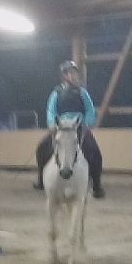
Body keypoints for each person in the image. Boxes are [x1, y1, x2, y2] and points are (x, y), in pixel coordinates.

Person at [33, 61, 105, 198]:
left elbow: (89, 109)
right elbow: (51, 109)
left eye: (73, 73)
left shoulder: (82, 92)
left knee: (94, 151)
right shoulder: (56, 92)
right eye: (69, 73)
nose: (72, 75)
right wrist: (52, 123)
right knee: (42, 148)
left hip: (79, 126)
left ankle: (97, 185)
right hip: (61, 127)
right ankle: (41, 179)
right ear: (64, 75)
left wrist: (87, 123)